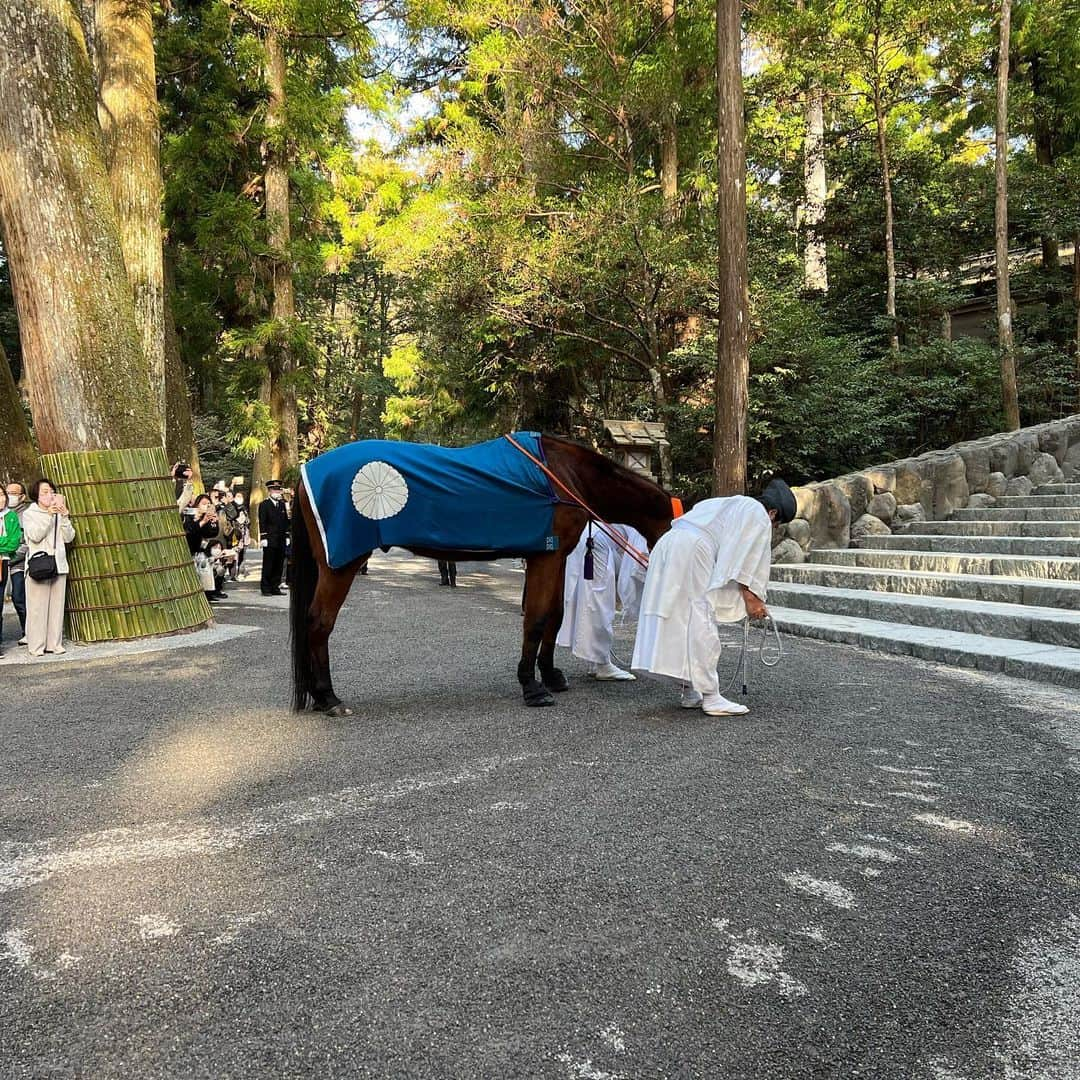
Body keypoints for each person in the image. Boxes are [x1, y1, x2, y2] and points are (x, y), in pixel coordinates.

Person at [631, 478, 796, 717]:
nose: (773, 528)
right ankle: (711, 695)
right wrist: (753, 598)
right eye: (777, 523)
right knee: (700, 617)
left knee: (677, 619)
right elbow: (747, 560)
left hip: (669, 544)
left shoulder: (725, 503)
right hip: (692, 550)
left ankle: (689, 690)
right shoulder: (757, 512)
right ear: (772, 512)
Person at [557, 523, 647, 680]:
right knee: (599, 603)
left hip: (586, 536)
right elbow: (639, 560)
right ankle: (603, 663)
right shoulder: (651, 517)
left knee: (589, 600)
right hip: (596, 542)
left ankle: (595, 659)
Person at [22, 479, 76, 657]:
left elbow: (69, 538)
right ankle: (36, 646)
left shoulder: (58, 513)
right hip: (39, 564)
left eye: (52, 491)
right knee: (37, 608)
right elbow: (35, 536)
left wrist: (65, 516)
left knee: (56, 606)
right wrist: (49, 516)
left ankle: (55, 643)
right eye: (44, 492)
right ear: (36, 495)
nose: (49, 495)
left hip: (59, 564)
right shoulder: (30, 513)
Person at [184, 493, 228, 602]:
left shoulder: (207, 516)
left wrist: (214, 523)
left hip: (201, 550)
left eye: (209, 504)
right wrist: (202, 521)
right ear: (197, 504)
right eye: (204, 504)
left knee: (205, 574)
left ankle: (208, 594)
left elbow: (211, 534)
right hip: (190, 549)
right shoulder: (190, 514)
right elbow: (190, 532)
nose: (206, 506)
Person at [0, 481, 24, 656]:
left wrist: (3, 545)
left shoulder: (12, 516)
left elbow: (14, 542)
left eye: (2, 495)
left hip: (5, 562)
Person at [5, 481, 29, 645]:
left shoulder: (26, 514)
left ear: (22, 497)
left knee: (19, 597)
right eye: (7, 492)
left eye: (14, 493)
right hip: (2, 561)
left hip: (18, 563)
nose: (9, 496)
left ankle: (28, 631)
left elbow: (27, 543)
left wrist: (11, 557)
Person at [259, 479, 289, 596]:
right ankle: (265, 587)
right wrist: (263, 537)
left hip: (281, 538)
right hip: (270, 539)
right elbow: (262, 522)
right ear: (269, 491)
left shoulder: (282, 504)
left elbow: (286, 521)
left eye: (278, 490)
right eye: (274, 490)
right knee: (269, 563)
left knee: (279, 563)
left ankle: (275, 586)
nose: (277, 492)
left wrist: (286, 535)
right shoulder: (264, 505)